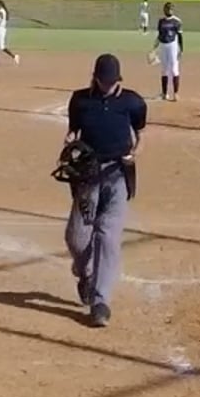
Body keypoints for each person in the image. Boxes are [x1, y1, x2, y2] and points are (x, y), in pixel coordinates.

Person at [59, 53, 148, 327]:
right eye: (104, 80)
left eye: (112, 81)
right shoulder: (80, 100)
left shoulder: (132, 102)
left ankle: (100, 301)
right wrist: (69, 143)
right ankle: (85, 274)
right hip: (88, 175)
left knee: (107, 236)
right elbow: (73, 132)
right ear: (95, 78)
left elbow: (141, 135)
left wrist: (135, 152)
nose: (108, 85)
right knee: (76, 238)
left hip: (118, 174)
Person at [151, 1, 183, 101]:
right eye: (167, 9)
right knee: (164, 70)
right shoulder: (161, 21)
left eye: (170, 9)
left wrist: (181, 49)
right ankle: (164, 94)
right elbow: (160, 35)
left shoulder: (177, 21)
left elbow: (180, 36)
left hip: (172, 46)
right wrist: (154, 47)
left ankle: (176, 94)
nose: (169, 10)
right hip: (163, 46)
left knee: (174, 69)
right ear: (164, 10)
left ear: (173, 10)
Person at [0, 0, 20, 67]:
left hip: (0, 29)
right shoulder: (2, 11)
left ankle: (14, 56)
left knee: (2, 46)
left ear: (0, 5)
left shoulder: (1, 11)